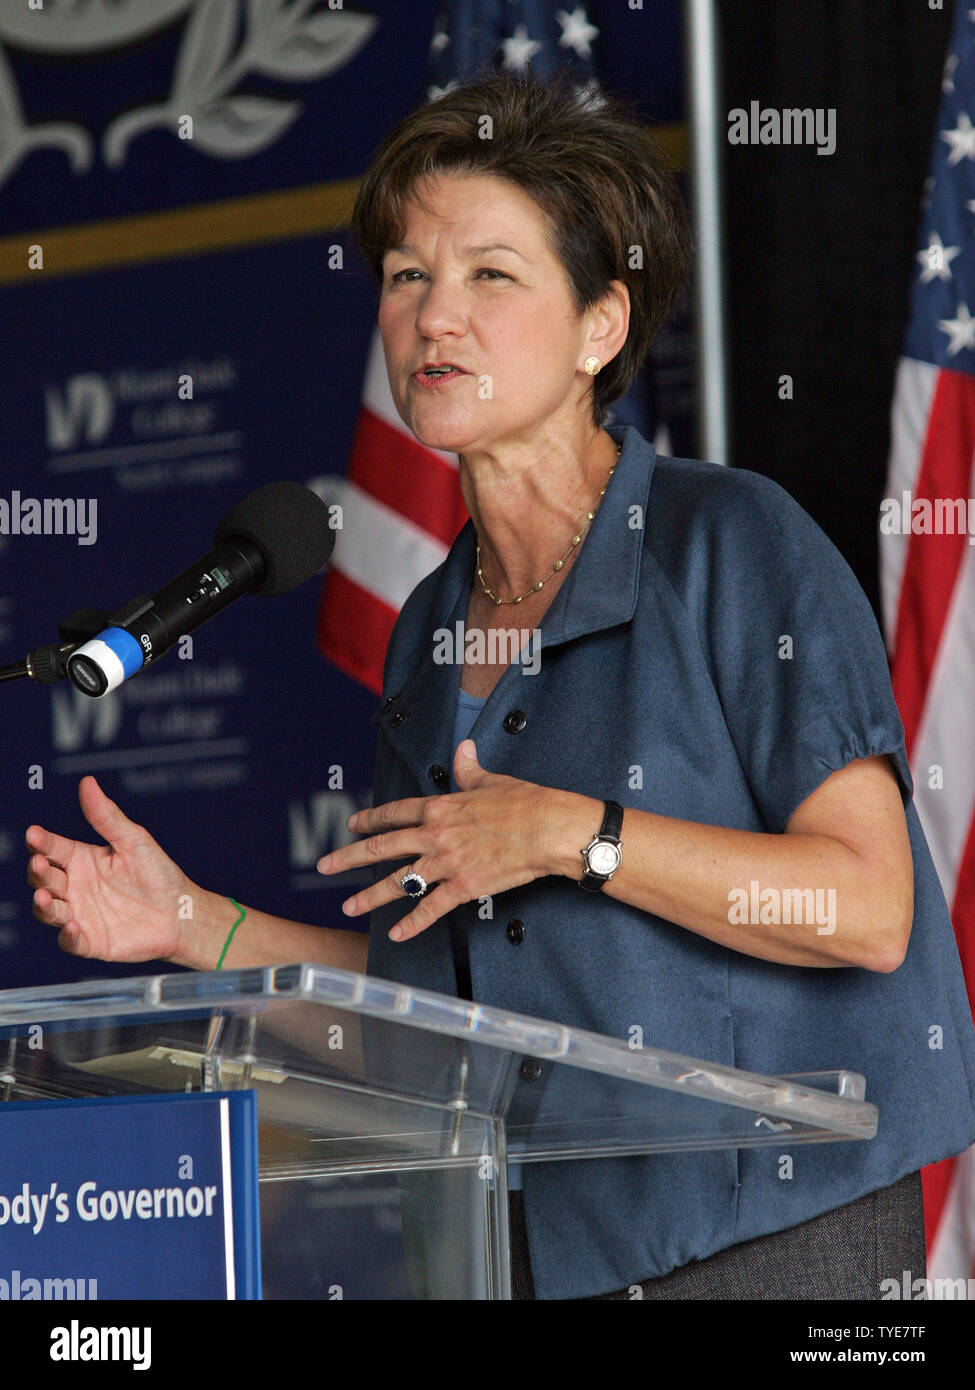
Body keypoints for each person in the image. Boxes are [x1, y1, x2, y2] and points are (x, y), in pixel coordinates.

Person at [26, 69, 975, 1301]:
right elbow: (437, 1007)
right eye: (409, 276)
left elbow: (866, 907)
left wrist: (573, 833)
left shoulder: (733, 542)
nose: (435, 319)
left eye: (491, 274)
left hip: (777, 1252)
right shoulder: (429, 631)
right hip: (523, 1259)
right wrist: (193, 923)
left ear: (601, 326)